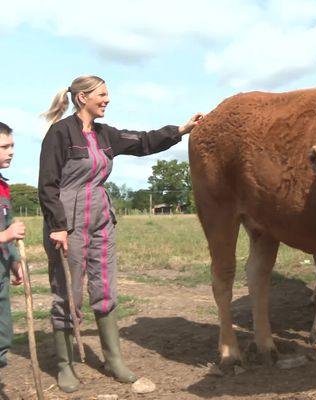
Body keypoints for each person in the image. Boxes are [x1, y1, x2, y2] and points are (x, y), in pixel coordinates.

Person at [38, 75, 203, 392]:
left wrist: (180, 130)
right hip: (67, 224)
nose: (107, 99)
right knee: (68, 292)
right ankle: (65, 365)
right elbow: (47, 184)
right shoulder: (60, 133)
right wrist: (57, 226)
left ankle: (113, 360)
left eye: (107, 94)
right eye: (102, 94)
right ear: (82, 97)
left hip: (101, 220)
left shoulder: (105, 134)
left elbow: (142, 141)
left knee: (104, 286)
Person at [0, 122, 26, 369]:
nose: (11, 151)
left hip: (1, 274)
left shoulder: (3, 186)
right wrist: (4, 236)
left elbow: (6, 224)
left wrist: (15, 261)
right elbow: (5, 231)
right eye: (4, 146)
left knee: (3, 334)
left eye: (12, 145)